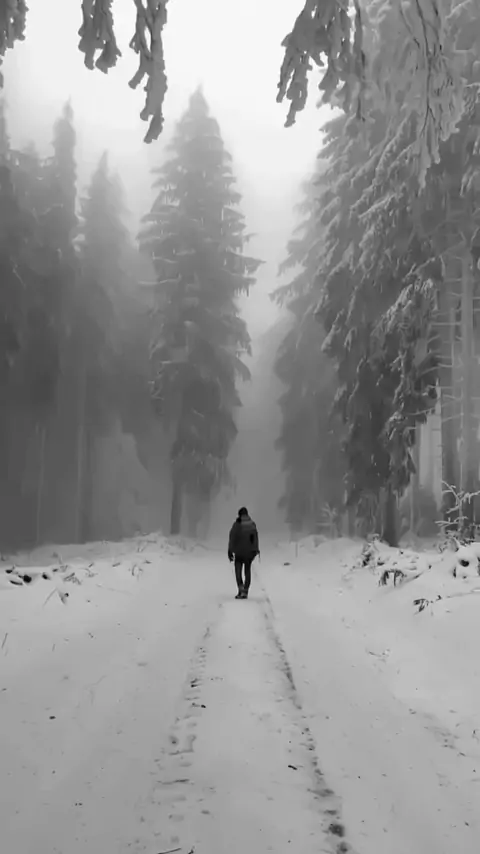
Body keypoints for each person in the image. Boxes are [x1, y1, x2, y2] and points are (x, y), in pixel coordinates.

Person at [228, 506, 260, 599]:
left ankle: (241, 588)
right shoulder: (252, 524)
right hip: (249, 552)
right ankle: (245, 590)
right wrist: (255, 549)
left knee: (238, 571)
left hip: (239, 552)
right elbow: (255, 538)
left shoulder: (237, 525)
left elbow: (232, 538)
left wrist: (230, 550)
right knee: (247, 570)